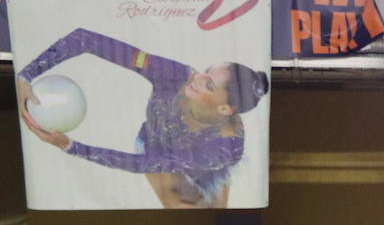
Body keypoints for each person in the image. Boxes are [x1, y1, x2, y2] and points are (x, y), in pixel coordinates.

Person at [17, 27, 269, 209]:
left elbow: (143, 164)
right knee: (175, 200)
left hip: (203, 167)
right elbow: (85, 39)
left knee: (208, 213)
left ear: (225, 109)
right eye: (205, 72)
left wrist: (71, 147)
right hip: (153, 143)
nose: (197, 78)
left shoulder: (224, 147)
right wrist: (26, 76)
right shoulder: (174, 74)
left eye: (209, 85)